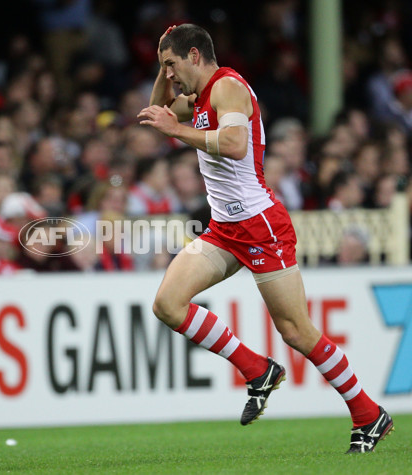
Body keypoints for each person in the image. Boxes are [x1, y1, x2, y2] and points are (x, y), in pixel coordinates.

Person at [138, 24, 392, 453]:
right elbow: (155, 111)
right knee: (167, 304)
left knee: (296, 330)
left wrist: (176, 130)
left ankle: (368, 413)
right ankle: (257, 369)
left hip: (260, 225)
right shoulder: (197, 97)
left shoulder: (228, 88)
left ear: (195, 55)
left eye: (172, 64)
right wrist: (164, 66)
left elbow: (235, 144)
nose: (170, 75)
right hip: (224, 229)